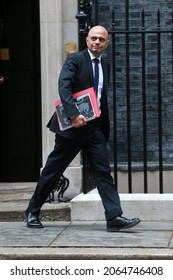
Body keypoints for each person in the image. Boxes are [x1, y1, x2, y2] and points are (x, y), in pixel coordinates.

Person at [25, 25, 140, 232]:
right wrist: (73, 113)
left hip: (94, 127)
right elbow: (64, 86)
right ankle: (33, 210)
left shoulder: (105, 65)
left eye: (101, 39)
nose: (97, 42)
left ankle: (114, 217)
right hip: (73, 126)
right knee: (53, 170)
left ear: (107, 43)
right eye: (93, 38)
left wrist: (102, 124)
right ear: (87, 40)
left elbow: (100, 96)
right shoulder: (75, 60)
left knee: (103, 172)